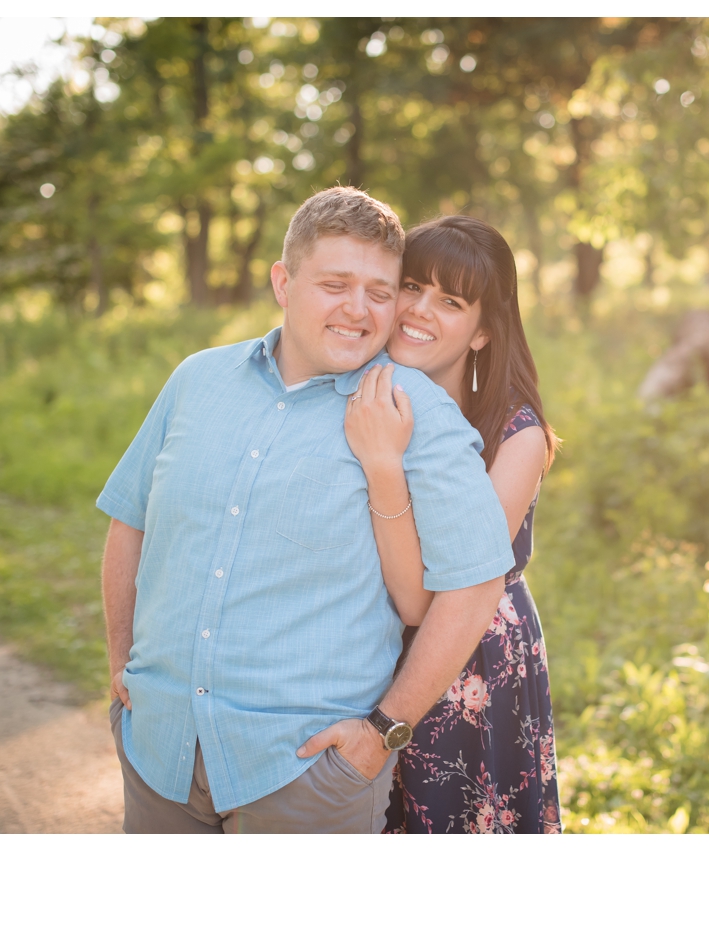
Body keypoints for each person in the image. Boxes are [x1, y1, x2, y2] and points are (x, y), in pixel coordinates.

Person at [98, 187, 512, 833]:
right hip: (159, 749)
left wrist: (384, 729)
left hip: (304, 774)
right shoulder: (196, 379)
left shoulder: (416, 412)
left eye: (380, 291)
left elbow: (476, 582)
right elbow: (131, 520)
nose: (359, 309)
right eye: (335, 284)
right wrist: (121, 659)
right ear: (283, 282)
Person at [341, 216, 564, 833]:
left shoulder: (517, 437)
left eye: (450, 300)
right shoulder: (356, 395)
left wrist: (384, 466)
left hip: (469, 654)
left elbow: (438, 593)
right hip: (367, 638)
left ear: (483, 332)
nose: (418, 310)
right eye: (411, 286)